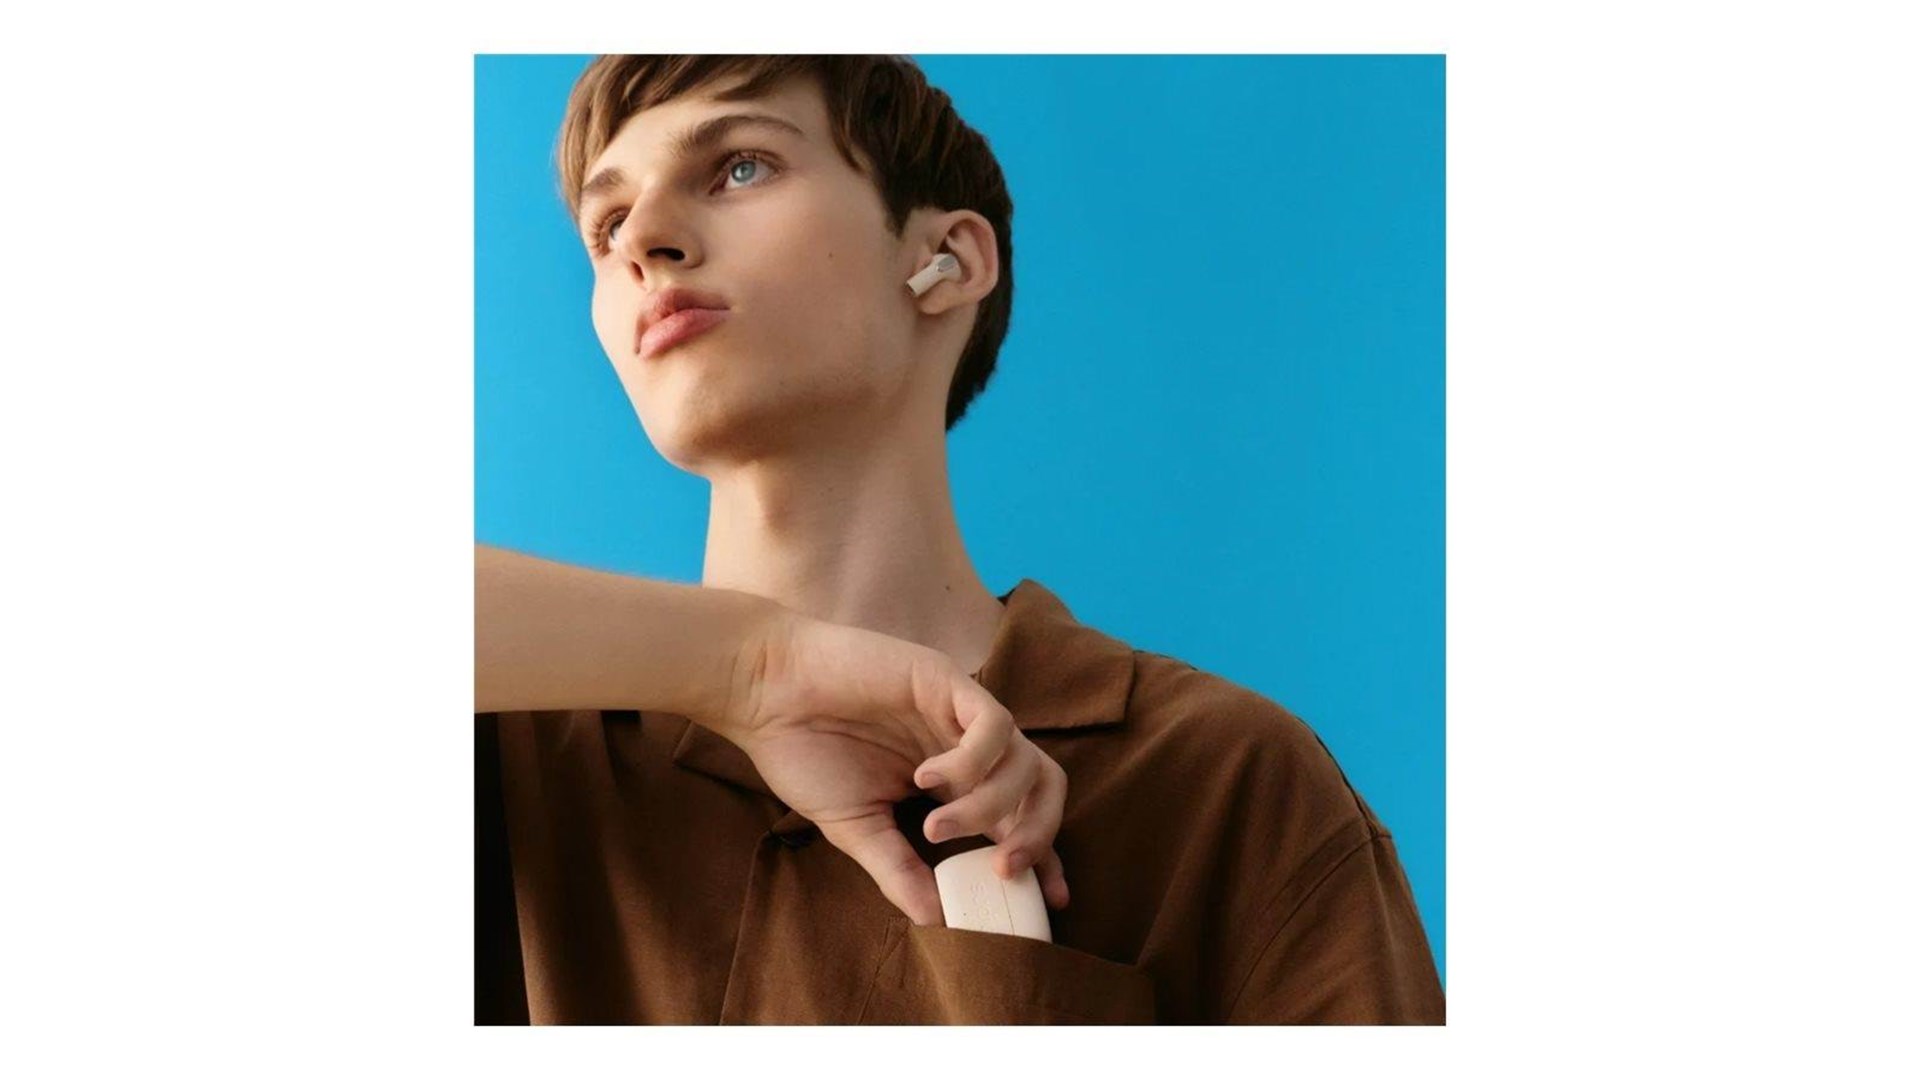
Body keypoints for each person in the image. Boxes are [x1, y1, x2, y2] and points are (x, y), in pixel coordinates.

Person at [477, 54, 1444, 1024]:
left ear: (947, 261)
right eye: (606, 225)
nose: (642, 241)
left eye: (740, 167)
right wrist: (754, 668)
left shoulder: (1227, 782)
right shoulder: (516, 764)